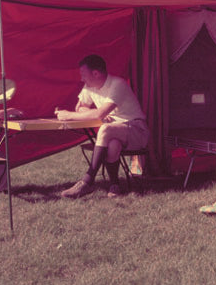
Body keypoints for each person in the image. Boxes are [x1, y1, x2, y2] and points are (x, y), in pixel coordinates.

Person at [56, 54, 149, 198]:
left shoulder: (118, 85)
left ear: (96, 73)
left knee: (106, 129)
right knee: (112, 144)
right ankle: (115, 185)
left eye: (83, 75)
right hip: (116, 131)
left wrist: (68, 116)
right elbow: (80, 108)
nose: (82, 79)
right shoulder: (89, 87)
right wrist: (97, 112)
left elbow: (98, 114)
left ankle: (87, 181)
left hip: (137, 130)